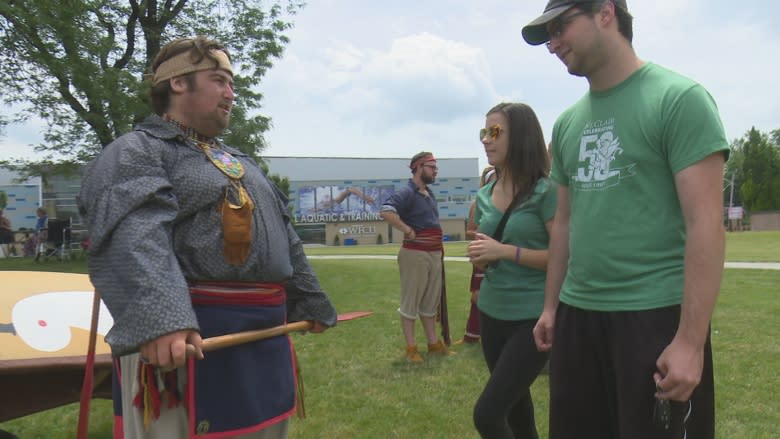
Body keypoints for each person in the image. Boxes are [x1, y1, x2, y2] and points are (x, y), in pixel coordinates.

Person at [79, 36, 337, 439]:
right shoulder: (136, 151)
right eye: (219, 80)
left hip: (261, 340)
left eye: (232, 84)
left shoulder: (240, 162)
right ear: (178, 83)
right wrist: (162, 321)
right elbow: (135, 233)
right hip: (184, 342)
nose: (231, 93)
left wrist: (308, 298)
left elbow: (283, 232)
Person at [522, 1, 729, 437]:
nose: (553, 44)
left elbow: (706, 225)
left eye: (560, 27)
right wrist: (550, 307)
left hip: (653, 318)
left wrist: (690, 342)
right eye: (547, 36)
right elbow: (564, 223)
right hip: (579, 318)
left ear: (605, 12)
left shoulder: (679, 100)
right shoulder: (566, 125)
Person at [467, 103, 556, 438]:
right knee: (518, 414)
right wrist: (481, 256)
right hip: (492, 312)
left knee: (487, 415)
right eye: (483, 133)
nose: (486, 140)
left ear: (520, 137)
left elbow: (563, 257)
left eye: (495, 132)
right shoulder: (486, 194)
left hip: (531, 318)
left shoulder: (546, 192)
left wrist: (504, 251)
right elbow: (483, 250)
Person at [380, 152, 454, 363]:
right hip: (415, 253)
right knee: (411, 300)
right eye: (432, 167)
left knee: (430, 301)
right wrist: (406, 229)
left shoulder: (429, 194)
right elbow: (386, 211)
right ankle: (411, 348)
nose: (435, 171)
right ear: (419, 167)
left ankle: (433, 344)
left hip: (433, 253)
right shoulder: (407, 192)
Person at [455, 165, 497, 345]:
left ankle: (492, 335)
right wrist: (484, 233)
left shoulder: (509, 200)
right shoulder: (478, 203)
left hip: (501, 254)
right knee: (477, 296)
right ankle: (472, 335)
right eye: (494, 179)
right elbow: (469, 231)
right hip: (482, 253)